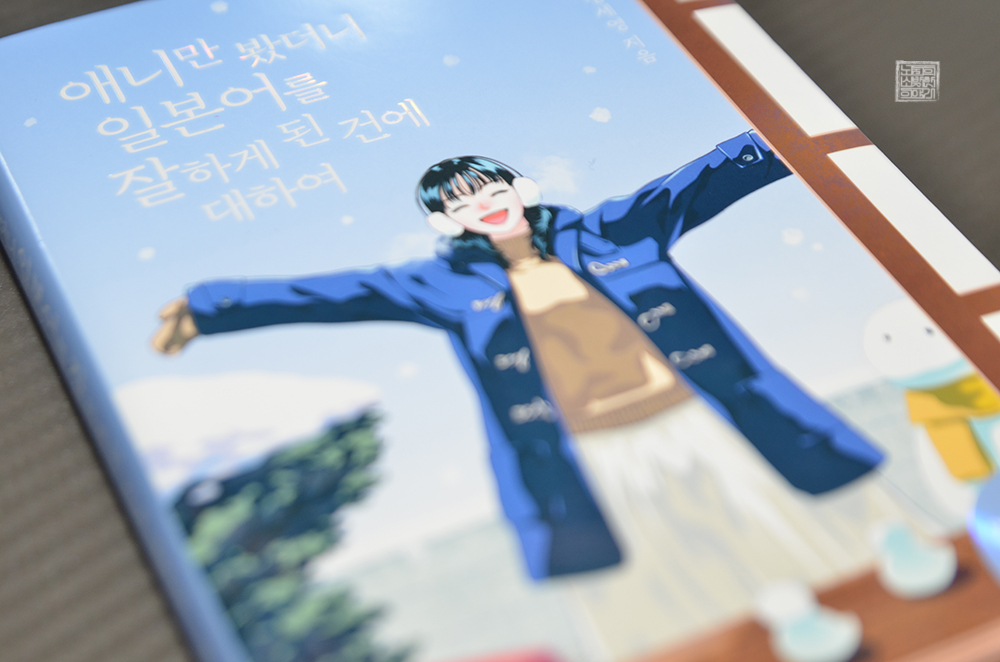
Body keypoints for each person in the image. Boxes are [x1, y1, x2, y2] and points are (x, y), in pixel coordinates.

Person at [153, 131, 890, 588]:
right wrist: (210, 307)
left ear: (518, 188)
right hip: (593, 457)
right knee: (670, 585)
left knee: (819, 548)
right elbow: (331, 295)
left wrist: (803, 122)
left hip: (709, 421)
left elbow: (708, 173)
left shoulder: (616, 230)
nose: (484, 205)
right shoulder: (439, 285)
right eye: (463, 202)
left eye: (491, 188)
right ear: (448, 221)